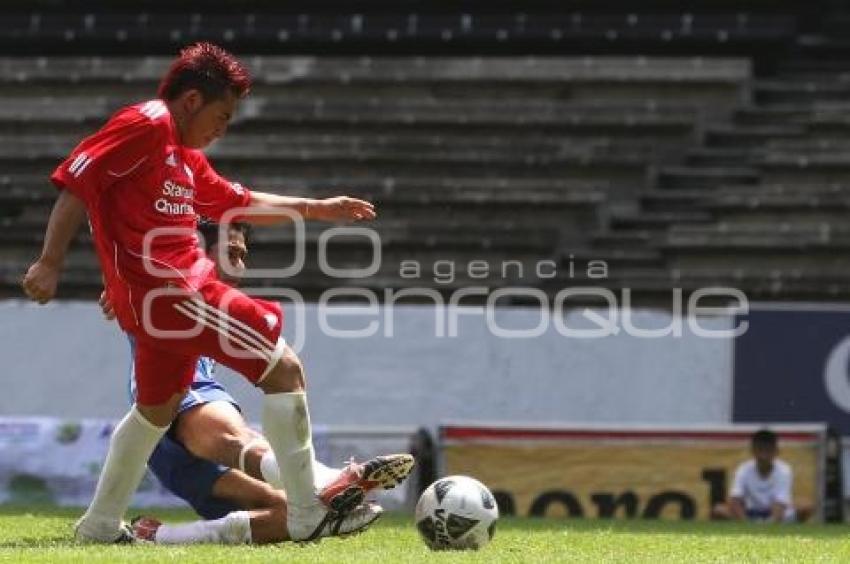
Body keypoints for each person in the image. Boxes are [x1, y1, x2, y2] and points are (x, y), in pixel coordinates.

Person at [22, 41, 385, 543]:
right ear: (191, 100)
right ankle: (306, 510)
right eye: (223, 114)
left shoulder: (183, 157)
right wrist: (49, 261)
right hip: (176, 296)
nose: (223, 127)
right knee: (283, 369)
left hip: (154, 307)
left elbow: (237, 200)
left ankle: (100, 526)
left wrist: (316, 208)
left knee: (155, 411)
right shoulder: (147, 124)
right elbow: (77, 182)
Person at [103, 220, 413, 544]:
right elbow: (128, 255)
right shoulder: (167, 282)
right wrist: (109, 283)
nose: (241, 263)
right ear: (196, 251)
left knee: (296, 511)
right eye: (232, 252)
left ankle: (157, 536)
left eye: (243, 254)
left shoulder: (217, 305)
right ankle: (328, 479)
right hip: (177, 397)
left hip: (173, 436)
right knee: (244, 431)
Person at [711, 429, 812, 523]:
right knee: (718, 510)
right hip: (750, 513)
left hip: (775, 514)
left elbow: (780, 503)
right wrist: (745, 524)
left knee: (806, 507)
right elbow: (735, 500)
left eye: (768, 450)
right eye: (760, 450)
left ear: (776, 451)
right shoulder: (743, 469)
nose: (763, 456)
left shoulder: (784, 470)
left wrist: (770, 524)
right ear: (753, 451)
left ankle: (786, 533)